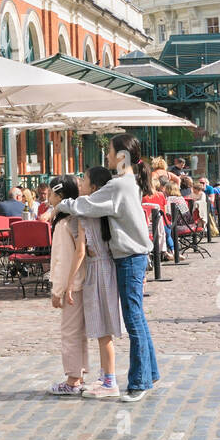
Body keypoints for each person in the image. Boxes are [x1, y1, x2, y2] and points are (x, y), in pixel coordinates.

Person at [53, 133, 158, 403]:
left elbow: (86, 205)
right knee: (139, 319)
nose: (107, 157)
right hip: (133, 255)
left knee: (134, 320)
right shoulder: (128, 182)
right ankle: (150, 372)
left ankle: (139, 382)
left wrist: (60, 204)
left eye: (110, 152)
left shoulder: (118, 185)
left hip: (129, 256)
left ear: (121, 156)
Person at [76, 166, 124, 398]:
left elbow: (80, 251)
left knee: (103, 330)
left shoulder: (86, 211)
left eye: (84, 181)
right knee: (104, 329)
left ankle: (110, 381)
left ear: (94, 187)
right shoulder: (105, 209)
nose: (80, 184)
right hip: (109, 268)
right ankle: (106, 376)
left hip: (97, 270)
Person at [46, 176, 88, 396]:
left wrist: (57, 290)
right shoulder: (74, 219)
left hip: (73, 284)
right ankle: (78, 374)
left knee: (69, 332)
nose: (48, 197)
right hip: (81, 282)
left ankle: (73, 380)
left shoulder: (64, 224)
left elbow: (62, 259)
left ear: (61, 196)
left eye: (51, 193)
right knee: (78, 332)